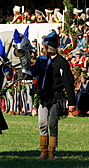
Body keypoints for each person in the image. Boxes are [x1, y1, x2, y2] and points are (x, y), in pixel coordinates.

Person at [31, 31, 75, 160]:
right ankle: (43, 152)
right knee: (42, 123)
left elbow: (68, 82)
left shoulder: (61, 62)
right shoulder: (41, 60)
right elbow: (32, 72)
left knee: (52, 124)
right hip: (43, 96)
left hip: (56, 96)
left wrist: (71, 102)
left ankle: (51, 152)